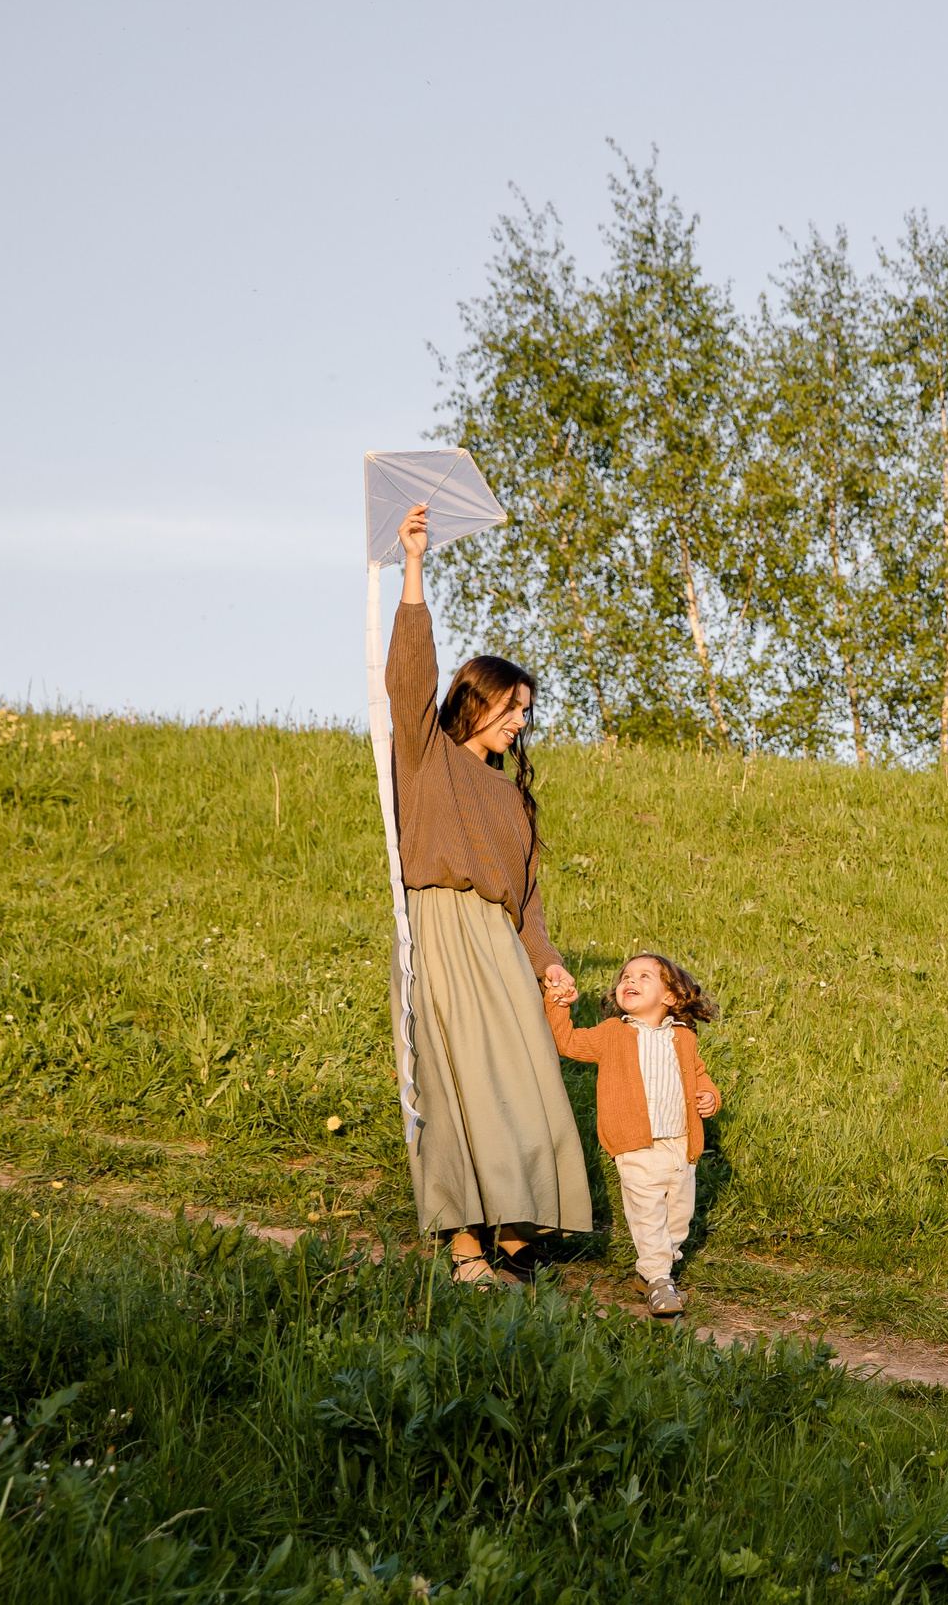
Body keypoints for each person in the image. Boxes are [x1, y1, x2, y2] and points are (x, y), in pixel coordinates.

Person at [388, 502, 592, 1286]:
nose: (522, 722)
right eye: (515, 707)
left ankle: (514, 1230)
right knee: (454, 1076)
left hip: (499, 942)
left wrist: (548, 963)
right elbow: (410, 675)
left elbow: (529, 898)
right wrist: (414, 567)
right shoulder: (425, 754)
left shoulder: (513, 799)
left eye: (528, 713)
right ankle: (466, 1243)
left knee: (522, 1077)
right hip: (439, 926)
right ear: (480, 698)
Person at [542, 953, 723, 1317]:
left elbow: (697, 1073)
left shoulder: (682, 1037)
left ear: (670, 997)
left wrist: (709, 1095)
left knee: (678, 1219)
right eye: (625, 976)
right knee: (647, 1215)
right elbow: (569, 1043)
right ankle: (658, 1280)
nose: (630, 981)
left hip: (681, 1144)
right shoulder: (613, 1033)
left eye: (643, 977)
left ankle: (652, 1271)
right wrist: (557, 1005)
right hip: (634, 1143)